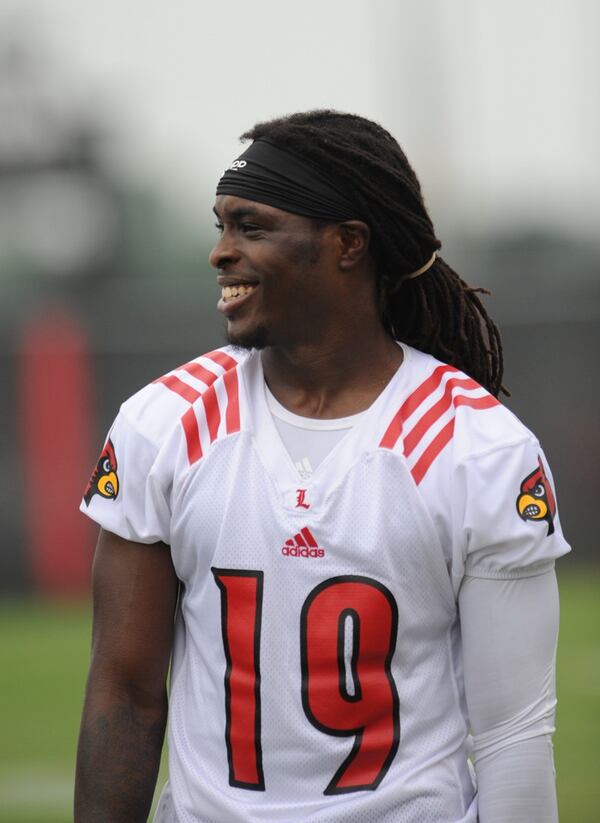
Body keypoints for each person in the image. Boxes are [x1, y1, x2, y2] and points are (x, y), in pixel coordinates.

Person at [75, 110, 570, 823]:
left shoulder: (479, 447)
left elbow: (512, 733)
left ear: (346, 244)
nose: (220, 251)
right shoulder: (165, 423)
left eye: (251, 226)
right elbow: (124, 693)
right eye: (220, 225)